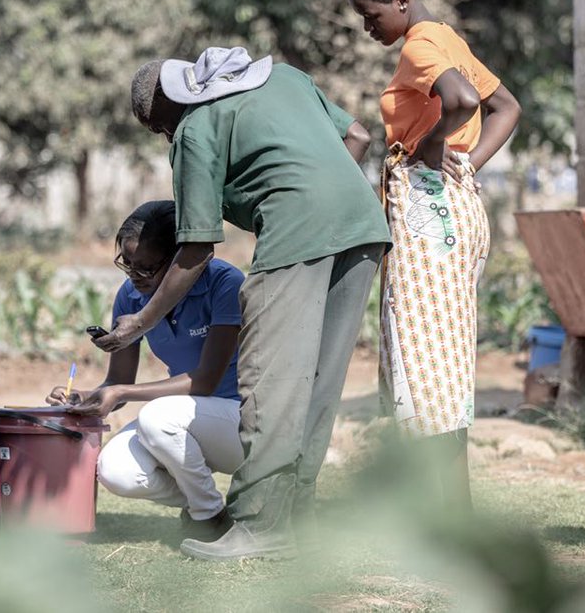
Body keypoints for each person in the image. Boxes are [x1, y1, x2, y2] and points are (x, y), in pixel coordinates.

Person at [115, 47, 390, 561]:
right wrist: (318, 191)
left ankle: (261, 525)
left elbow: (195, 248)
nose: (164, 138)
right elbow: (358, 137)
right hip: (363, 226)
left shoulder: (195, 129)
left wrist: (140, 321)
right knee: (317, 383)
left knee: (271, 382)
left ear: (167, 106)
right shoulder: (283, 77)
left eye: (157, 127)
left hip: (294, 236)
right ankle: (298, 521)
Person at [346, 0, 522, 506]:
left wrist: (429, 146)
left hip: (428, 214)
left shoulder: (422, 44)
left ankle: (441, 515)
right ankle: (453, 510)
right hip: (456, 207)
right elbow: (507, 108)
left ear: (402, 0)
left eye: (371, 15)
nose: (367, 26)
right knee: (442, 363)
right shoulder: (448, 39)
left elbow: (467, 101)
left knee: (423, 364)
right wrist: (465, 162)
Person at [46, 200, 244, 541]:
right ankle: (209, 502)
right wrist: (89, 396)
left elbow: (207, 380)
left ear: (180, 262)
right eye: (127, 264)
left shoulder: (224, 283)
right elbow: (119, 381)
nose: (135, 277)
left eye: (147, 268)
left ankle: (209, 518)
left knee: (157, 416)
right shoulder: (130, 296)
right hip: (185, 421)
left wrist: (121, 393)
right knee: (115, 471)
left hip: (240, 421)